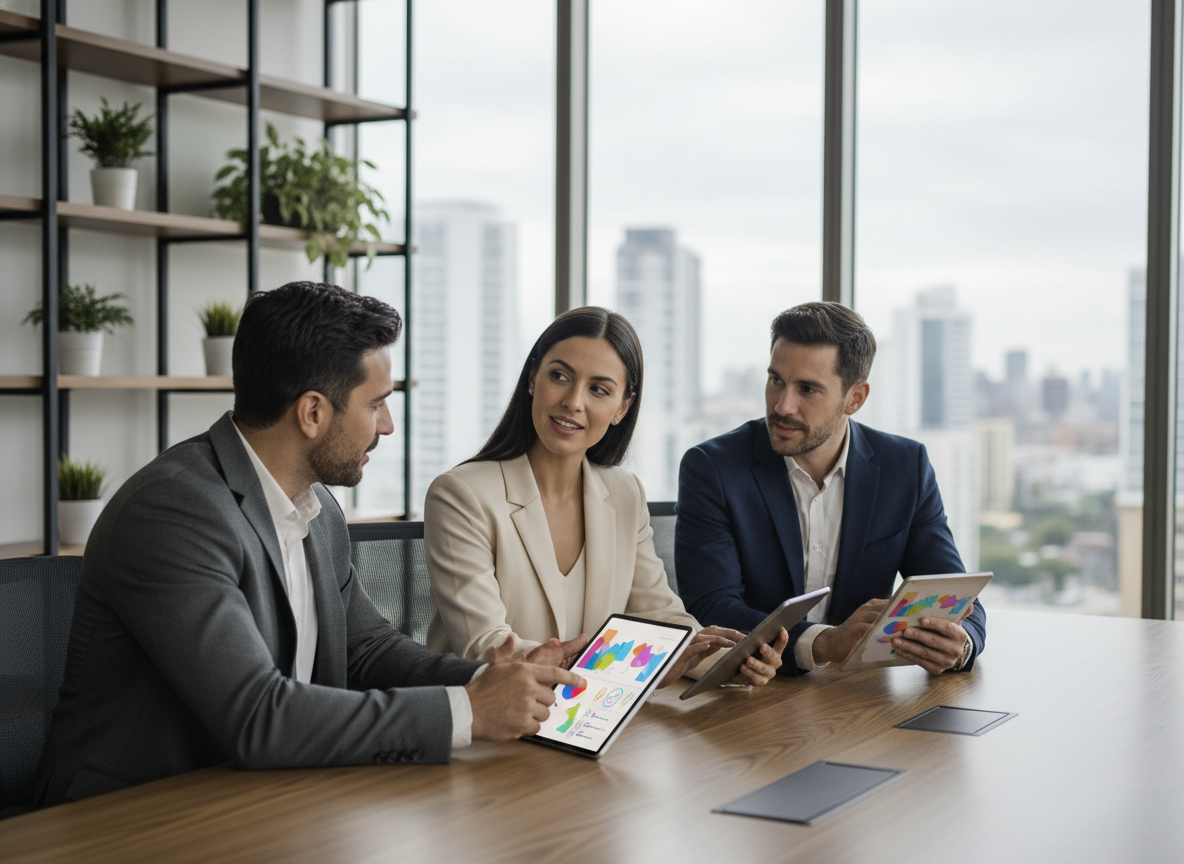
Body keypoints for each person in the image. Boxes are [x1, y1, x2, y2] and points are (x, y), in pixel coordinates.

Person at [34, 282, 582, 807]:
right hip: (133, 815)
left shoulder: (314, 508)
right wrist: (469, 711)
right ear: (313, 412)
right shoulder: (174, 513)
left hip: (263, 795)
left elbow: (368, 650)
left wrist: (496, 682)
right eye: (375, 405)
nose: (387, 426)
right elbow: (258, 717)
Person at [424, 306, 788, 688]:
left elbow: (661, 616)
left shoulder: (624, 493)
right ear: (533, 378)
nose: (574, 401)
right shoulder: (462, 494)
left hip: (588, 720)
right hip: (489, 725)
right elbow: (486, 647)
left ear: (622, 408)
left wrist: (729, 660)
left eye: (599, 389)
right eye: (560, 376)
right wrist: (641, 664)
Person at [675, 302, 987, 677]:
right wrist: (823, 643)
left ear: (855, 398)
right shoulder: (714, 468)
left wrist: (958, 644)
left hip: (856, 697)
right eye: (776, 380)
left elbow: (956, 596)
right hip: (753, 695)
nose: (782, 405)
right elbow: (712, 606)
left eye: (807, 389)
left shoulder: (904, 467)